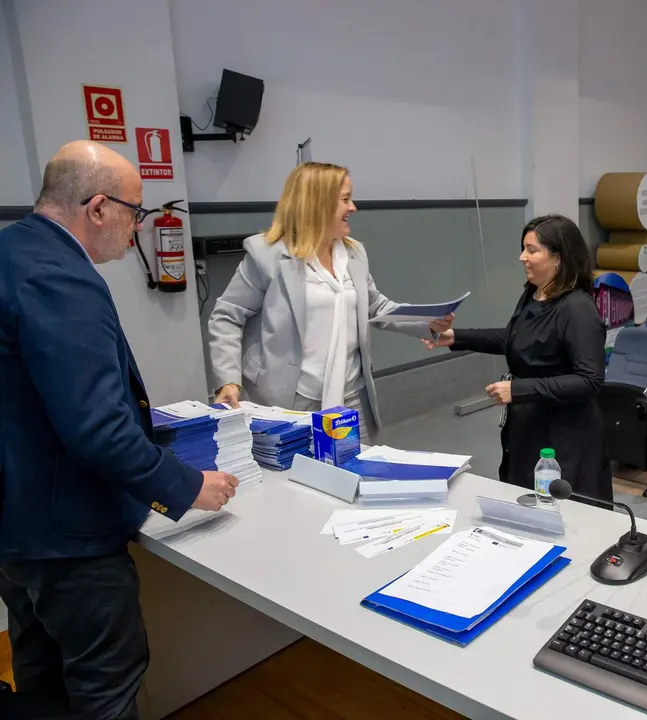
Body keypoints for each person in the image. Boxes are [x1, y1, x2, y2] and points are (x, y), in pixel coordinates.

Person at [0, 141, 238, 719]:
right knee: (105, 683)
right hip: (70, 535)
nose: (138, 228)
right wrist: (185, 485)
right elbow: (99, 429)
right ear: (98, 207)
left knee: (40, 669)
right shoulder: (65, 280)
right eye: (136, 212)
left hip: (17, 523)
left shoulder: (12, 251)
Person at [208, 162, 451, 442]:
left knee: (351, 474)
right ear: (317, 204)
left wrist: (427, 322)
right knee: (294, 480)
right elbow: (227, 315)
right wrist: (228, 379)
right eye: (345, 200)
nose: (353, 207)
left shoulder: (353, 254)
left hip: (351, 397)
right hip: (290, 399)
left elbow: (375, 307)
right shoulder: (268, 256)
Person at [425, 215, 612, 502]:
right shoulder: (533, 294)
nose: (522, 257)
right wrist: (455, 337)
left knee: (560, 508)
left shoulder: (577, 309)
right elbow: (516, 339)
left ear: (558, 257)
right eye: (523, 248)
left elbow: (589, 380)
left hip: (565, 435)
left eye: (532, 249)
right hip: (528, 425)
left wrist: (519, 390)